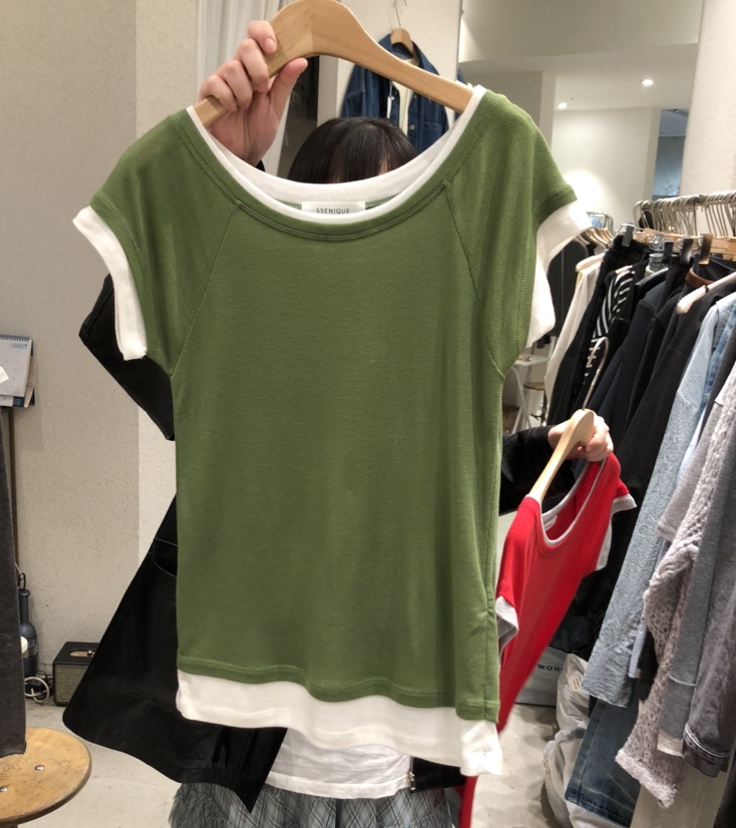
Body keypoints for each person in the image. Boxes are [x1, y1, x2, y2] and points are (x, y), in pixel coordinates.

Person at [169, 21, 613, 828]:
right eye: (342, 210)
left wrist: (543, 451)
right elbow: (147, 348)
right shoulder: (253, 329)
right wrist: (229, 166)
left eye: (390, 214)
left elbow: (439, 469)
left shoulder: (427, 335)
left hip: (401, 755)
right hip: (256, 755)